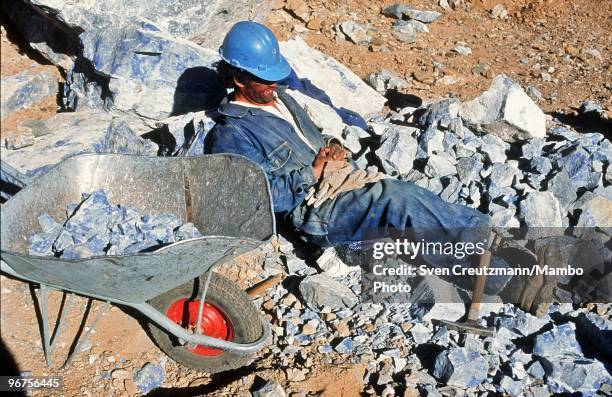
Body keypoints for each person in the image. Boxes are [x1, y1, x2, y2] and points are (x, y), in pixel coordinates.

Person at [204, 21, 602, 314]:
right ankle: (509, 274)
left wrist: (331, 148)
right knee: (398, 199)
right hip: (315, 210)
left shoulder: (281, 100)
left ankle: (509, 258)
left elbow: (314, 139)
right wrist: (312, 170)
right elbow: (259, 198)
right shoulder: (231, 135)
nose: (275, 84)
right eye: (264, 79)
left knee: (411, 213)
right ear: (238, 77)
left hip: (340, 182)